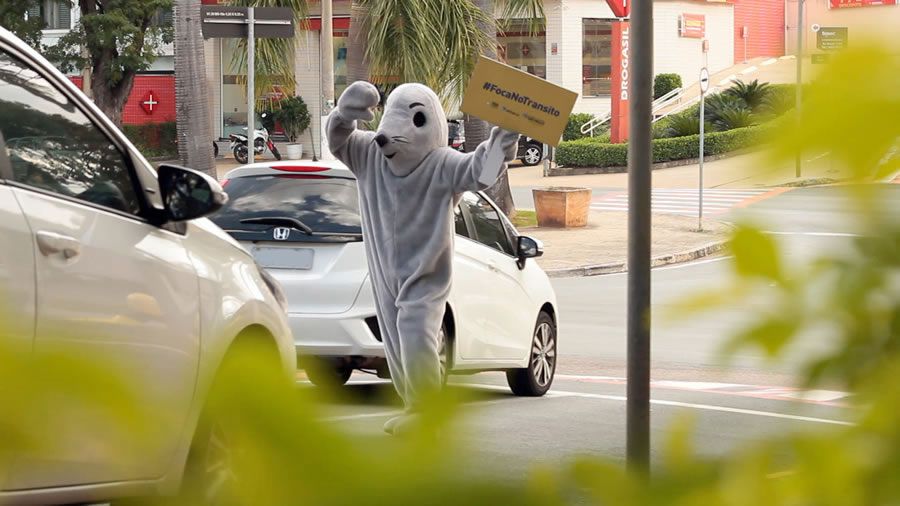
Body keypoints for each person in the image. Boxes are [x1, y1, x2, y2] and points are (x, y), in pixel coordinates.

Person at [326, 81, 518, 435]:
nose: (389, 134)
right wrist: (343, 114)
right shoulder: (371, 155)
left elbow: (481, 172)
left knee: (415, 332)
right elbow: (339, 142)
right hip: (384, 272)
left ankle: (428, 413)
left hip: (426, 273)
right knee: (396, 339)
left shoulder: (441, 164)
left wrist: (503, 138)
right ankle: (414, 405)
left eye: (414, 119)